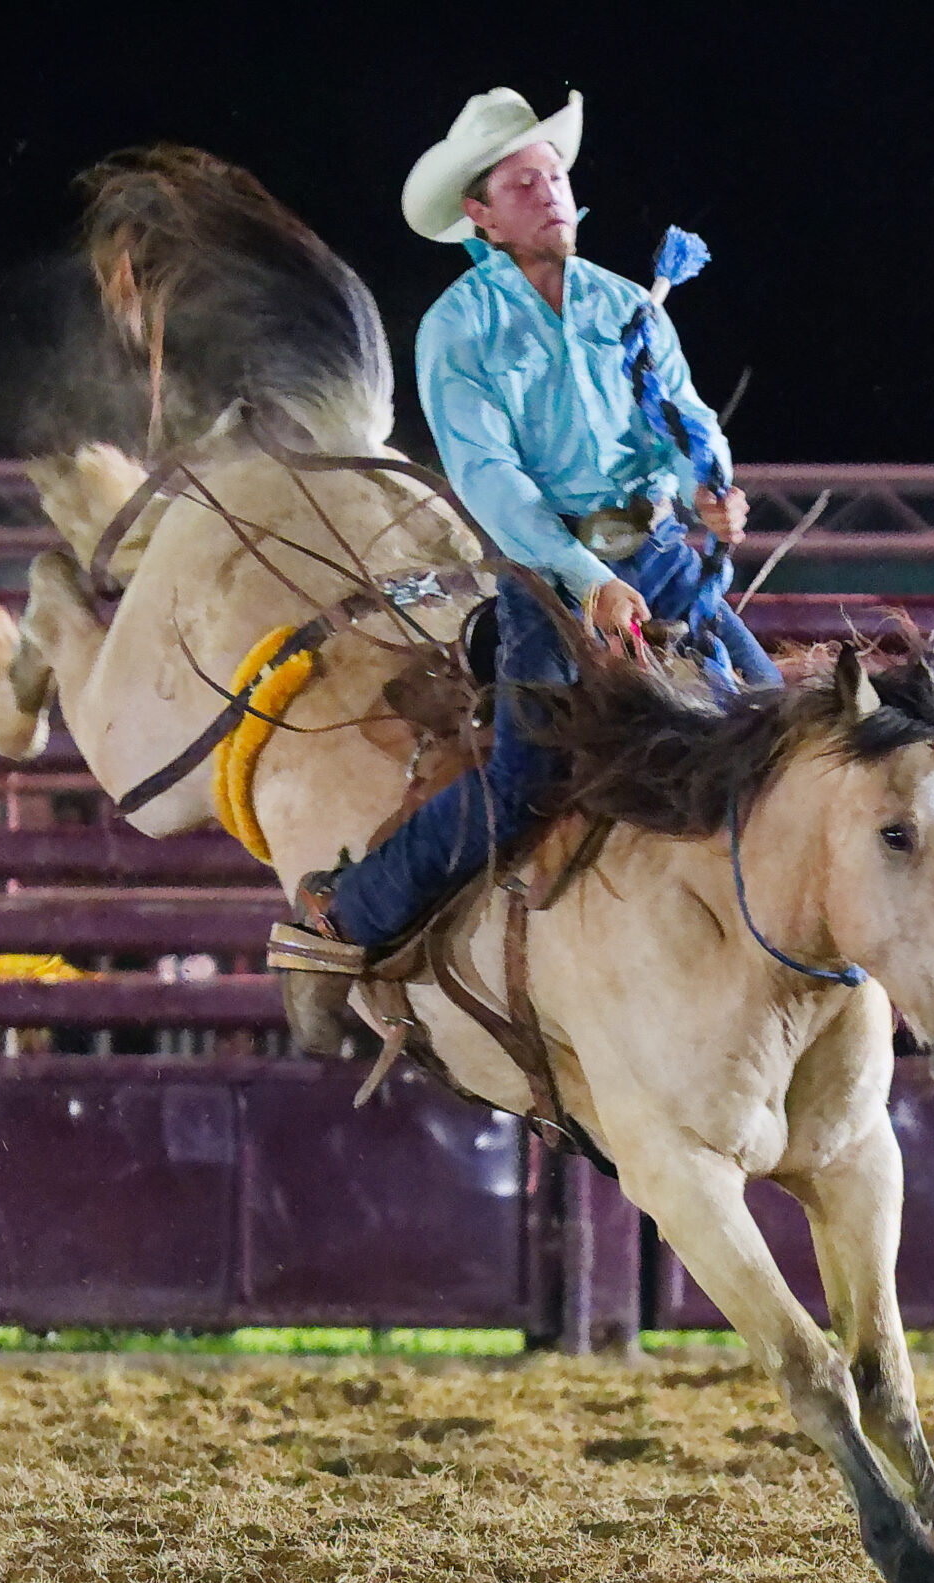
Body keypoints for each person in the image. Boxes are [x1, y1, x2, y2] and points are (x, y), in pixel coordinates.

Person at [284, 86, 772, 1022]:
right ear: (482, 213)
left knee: (773, 727)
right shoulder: (459, 329)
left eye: (554, 175)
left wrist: (712, 483)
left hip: (659, 549)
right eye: (523, 181)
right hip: (549, 575)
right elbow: (494, 483)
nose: (550, 191)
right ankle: (347, 910)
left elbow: (685, 420)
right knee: (522, 782)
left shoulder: (629, 307)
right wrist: (590, 580)